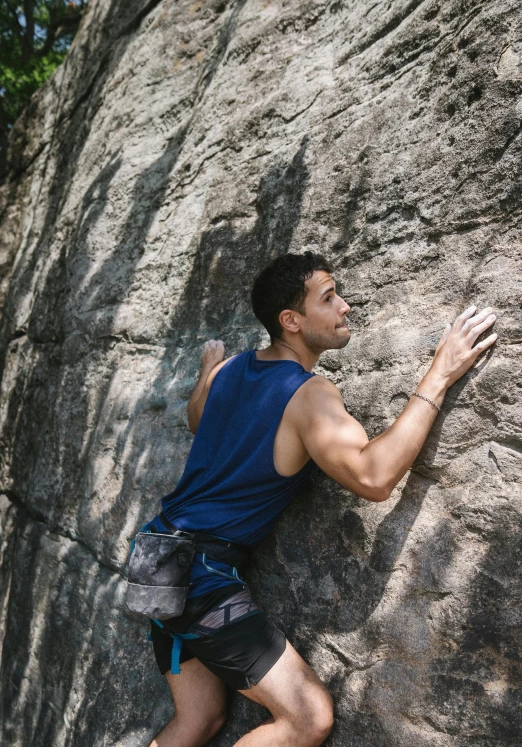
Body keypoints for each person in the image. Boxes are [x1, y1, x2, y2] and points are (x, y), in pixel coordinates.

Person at [144, 251, 497, 747]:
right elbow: (374, 477)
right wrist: (440, 373)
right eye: (328, 298)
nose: (345, 306)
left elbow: (197, 418)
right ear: (291, 321)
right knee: (307, 718)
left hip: (156, 559)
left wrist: (207, 371)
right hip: (199, 578)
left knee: (198, 720)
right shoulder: (309, 394)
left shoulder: (227, 371)